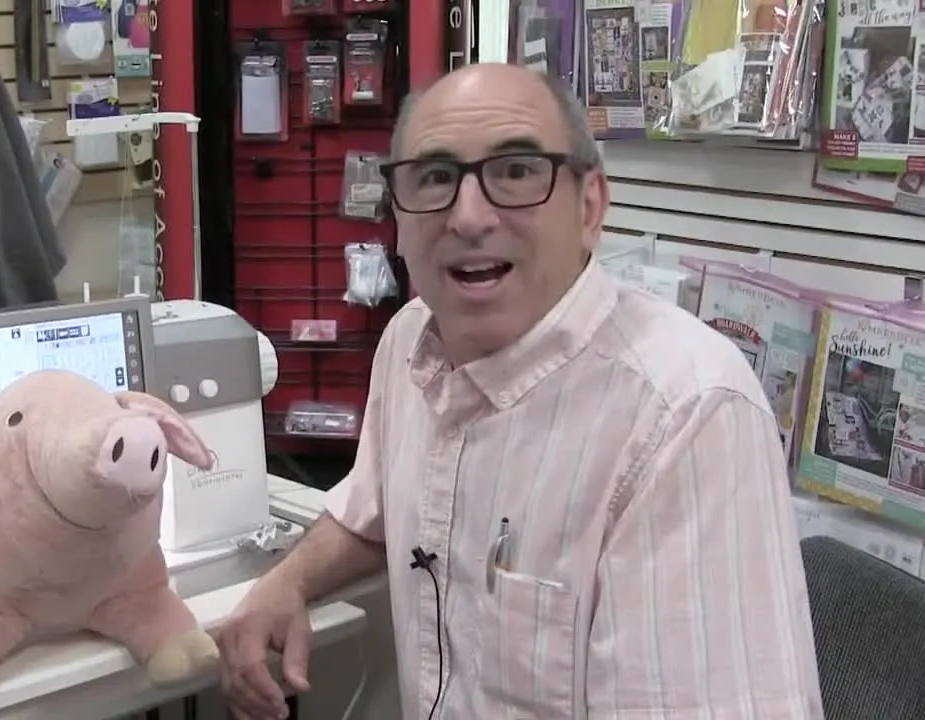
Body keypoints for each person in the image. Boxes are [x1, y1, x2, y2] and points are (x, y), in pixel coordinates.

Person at [215, 63, 823, 720]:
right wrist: (285, 583)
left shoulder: (685, 414)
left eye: (516, 172)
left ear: (589, 208)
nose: (469, 217)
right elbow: (378, 508)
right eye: (435, 178)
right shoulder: (410, 341)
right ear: (396, 215)